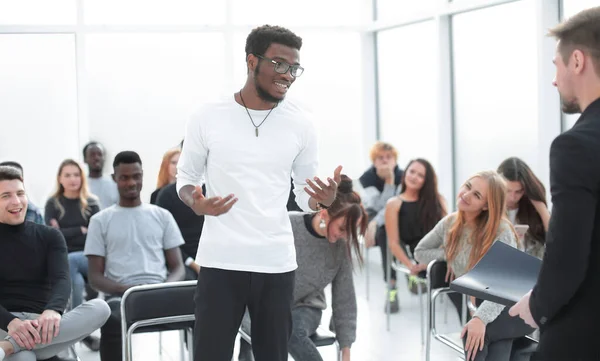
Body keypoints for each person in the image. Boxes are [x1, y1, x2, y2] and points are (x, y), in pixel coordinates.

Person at [177, 25, 340, 361]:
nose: (288, 75)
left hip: (275, 263)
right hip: (221, 262)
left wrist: (323, 200)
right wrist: (197, 202)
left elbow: (304, 195)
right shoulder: (207, 115)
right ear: (252, 60)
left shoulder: (302, 123)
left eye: (294, 68)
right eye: (280, 64)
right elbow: (186, 178)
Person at [509, 7, 600, 360]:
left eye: (556, 65)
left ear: (577, 61)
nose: (554, 79)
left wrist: (536, 306)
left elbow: (568, 255)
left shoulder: (575, 145)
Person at [239, 175, 367, 361]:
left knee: (290, 330)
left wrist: (346, 350)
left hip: (305, 307)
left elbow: (345, 300)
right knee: (267, 329)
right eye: (341, 229)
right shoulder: (288, 225)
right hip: (264, 303)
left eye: (350, 231)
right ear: (324, 215)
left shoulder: (340, 249)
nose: (344, 236)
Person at [415, 171, 534, 361]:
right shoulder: (450, 222)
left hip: (517, 304)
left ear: (486, 205)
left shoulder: (501, 231)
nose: (466, 194)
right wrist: (450, 255)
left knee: (476, 334)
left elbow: (504, 286)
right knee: (477, 337)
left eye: (477, 195)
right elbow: (420, 251)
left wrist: (480, 318)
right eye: (468, 186)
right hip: (484, 301)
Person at [0, 165, 110, 361]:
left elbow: (62, 278)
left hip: (45, 323)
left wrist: (53, 310)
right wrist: (11, 322)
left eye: (20, 193)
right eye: (5, 196)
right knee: (23, 358)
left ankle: (8, 347)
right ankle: (14, 345)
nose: (16, 201)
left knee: (101, 308)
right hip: (4, 324)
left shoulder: (50, 236)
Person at [84, 151, 185, 361]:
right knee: (110, 318)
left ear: (142, 176)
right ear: (115, 179)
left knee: (202, 311)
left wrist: (164, 288)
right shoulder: (100, 221)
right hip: (121, 298)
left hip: (159, 293)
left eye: (136, 176)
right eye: (124, 177)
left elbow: (178, 268)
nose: (131, 182)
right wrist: (127, 290)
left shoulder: (162, 216)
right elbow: (95, 278)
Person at [43, 159, 102, 351]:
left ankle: (75, 330)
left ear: (82, 178)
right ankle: (82, 332)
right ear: (60, 178)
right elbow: (53, 236)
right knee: (74, 279)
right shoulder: (53, 204)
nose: (72, 179)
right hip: (63, 259)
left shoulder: (92, 203)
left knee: (72, 263)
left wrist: (67, 231)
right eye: (67, 175)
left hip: (88, 257)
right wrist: (80, 229)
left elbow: (96, 235)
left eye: (76, 174)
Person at [384, 159, 446, 313]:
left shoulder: (438, 200)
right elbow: (393, 243)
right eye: (412, 171)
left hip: (443, 253)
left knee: (461, 268)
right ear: (405, 173)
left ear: (426, 181)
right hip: (419, 258)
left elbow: (450, 234)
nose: (414, 177)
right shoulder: (393, 204)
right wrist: (411, 266)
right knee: (450, 274)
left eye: (420, 175)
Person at [497, 157, 549, 259]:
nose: (512, 197)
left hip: (530, 271)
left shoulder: (532, 211)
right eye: (507, 190)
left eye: (518, 191)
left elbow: (557, 241)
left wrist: (541, 208)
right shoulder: (487, 209)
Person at [83, 142, 118, 210]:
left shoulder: (114, 183)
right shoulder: (81, 184)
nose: (96, 158)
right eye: (92, 155)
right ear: (85, 159)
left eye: (100, 154)